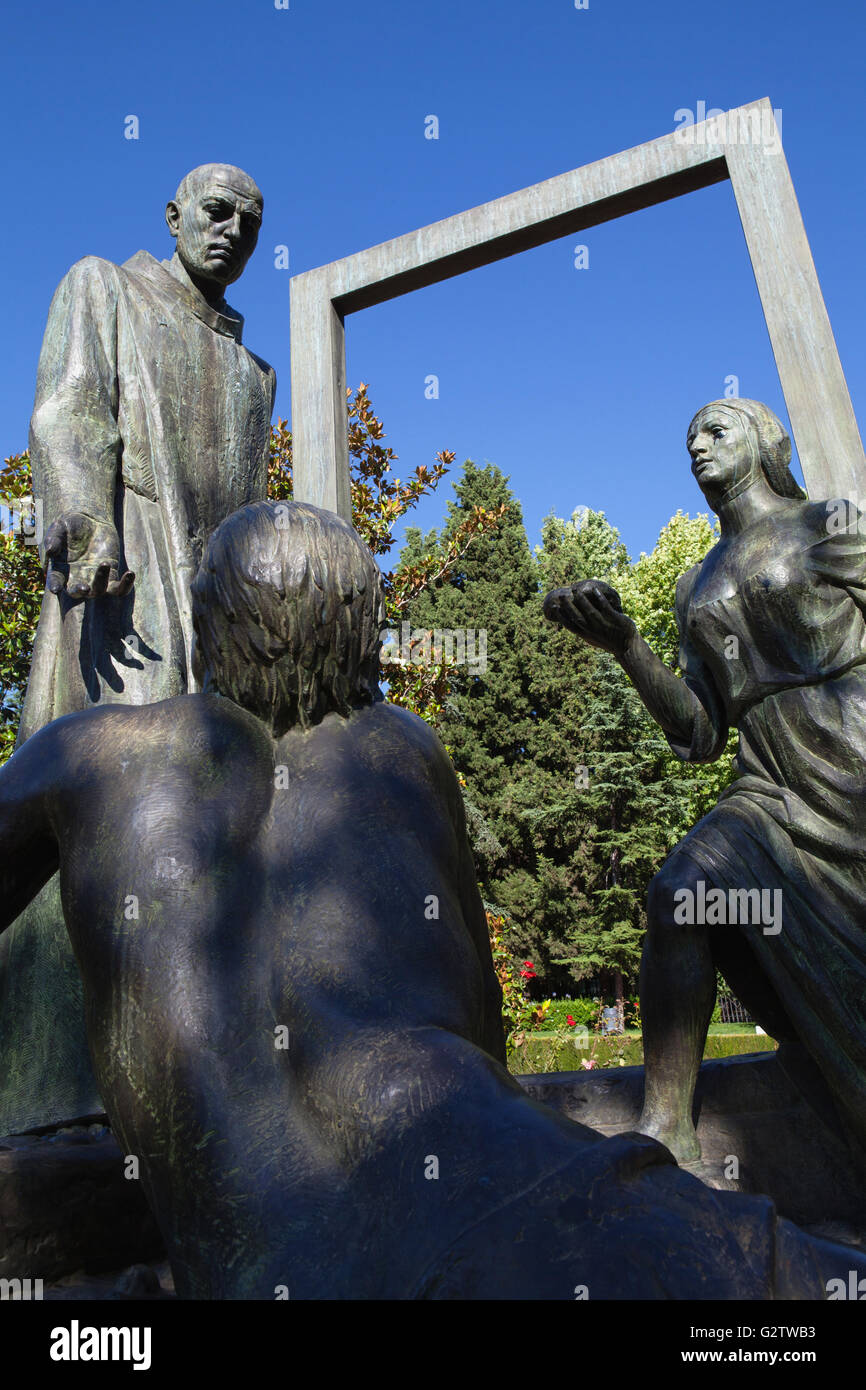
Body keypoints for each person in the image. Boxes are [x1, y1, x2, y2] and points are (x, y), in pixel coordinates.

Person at [0, 497, 860, 1299]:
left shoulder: (81, 755)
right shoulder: (400, 750)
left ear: (211, 614)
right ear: (358, 627)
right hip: (535, 1193)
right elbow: (480, 1022)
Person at [0, 164, 276, 1134]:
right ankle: (64, 1095)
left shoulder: (252, 371)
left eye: (249, 221)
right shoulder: (102, 287)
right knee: (115, 812)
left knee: (207, 834)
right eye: (214, 211)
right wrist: (89, 526)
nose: (231, 231)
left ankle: (188, 1080)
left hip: (212, 616)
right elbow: (69, 408)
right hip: (128, 585)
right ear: (171, 217)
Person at [544, 398, 866, 1168]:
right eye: (688, 437)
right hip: (765, 782)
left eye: (716, 429)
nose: (697, 444)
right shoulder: (695, 584)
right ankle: (668, 1130)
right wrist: (625, 645)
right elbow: (696, 732)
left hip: (854, 759)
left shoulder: (827, 523)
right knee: (681, 891)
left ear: (763, 442)